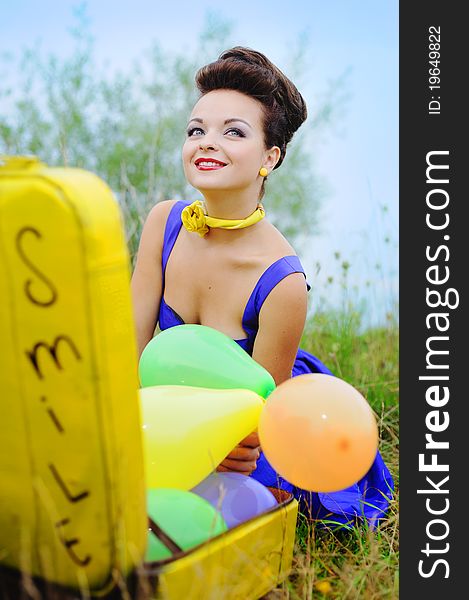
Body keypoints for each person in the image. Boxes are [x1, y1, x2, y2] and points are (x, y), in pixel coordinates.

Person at [131, 47, 393, 527]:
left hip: (245, 430)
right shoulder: (163, 223)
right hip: (154, 409)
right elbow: (131, 350)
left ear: (269, 156)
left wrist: (208, 449)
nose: (207, 142)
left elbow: (254, 422)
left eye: (233, 131)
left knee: (231, 508)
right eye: (197, 130)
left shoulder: (283, 282)